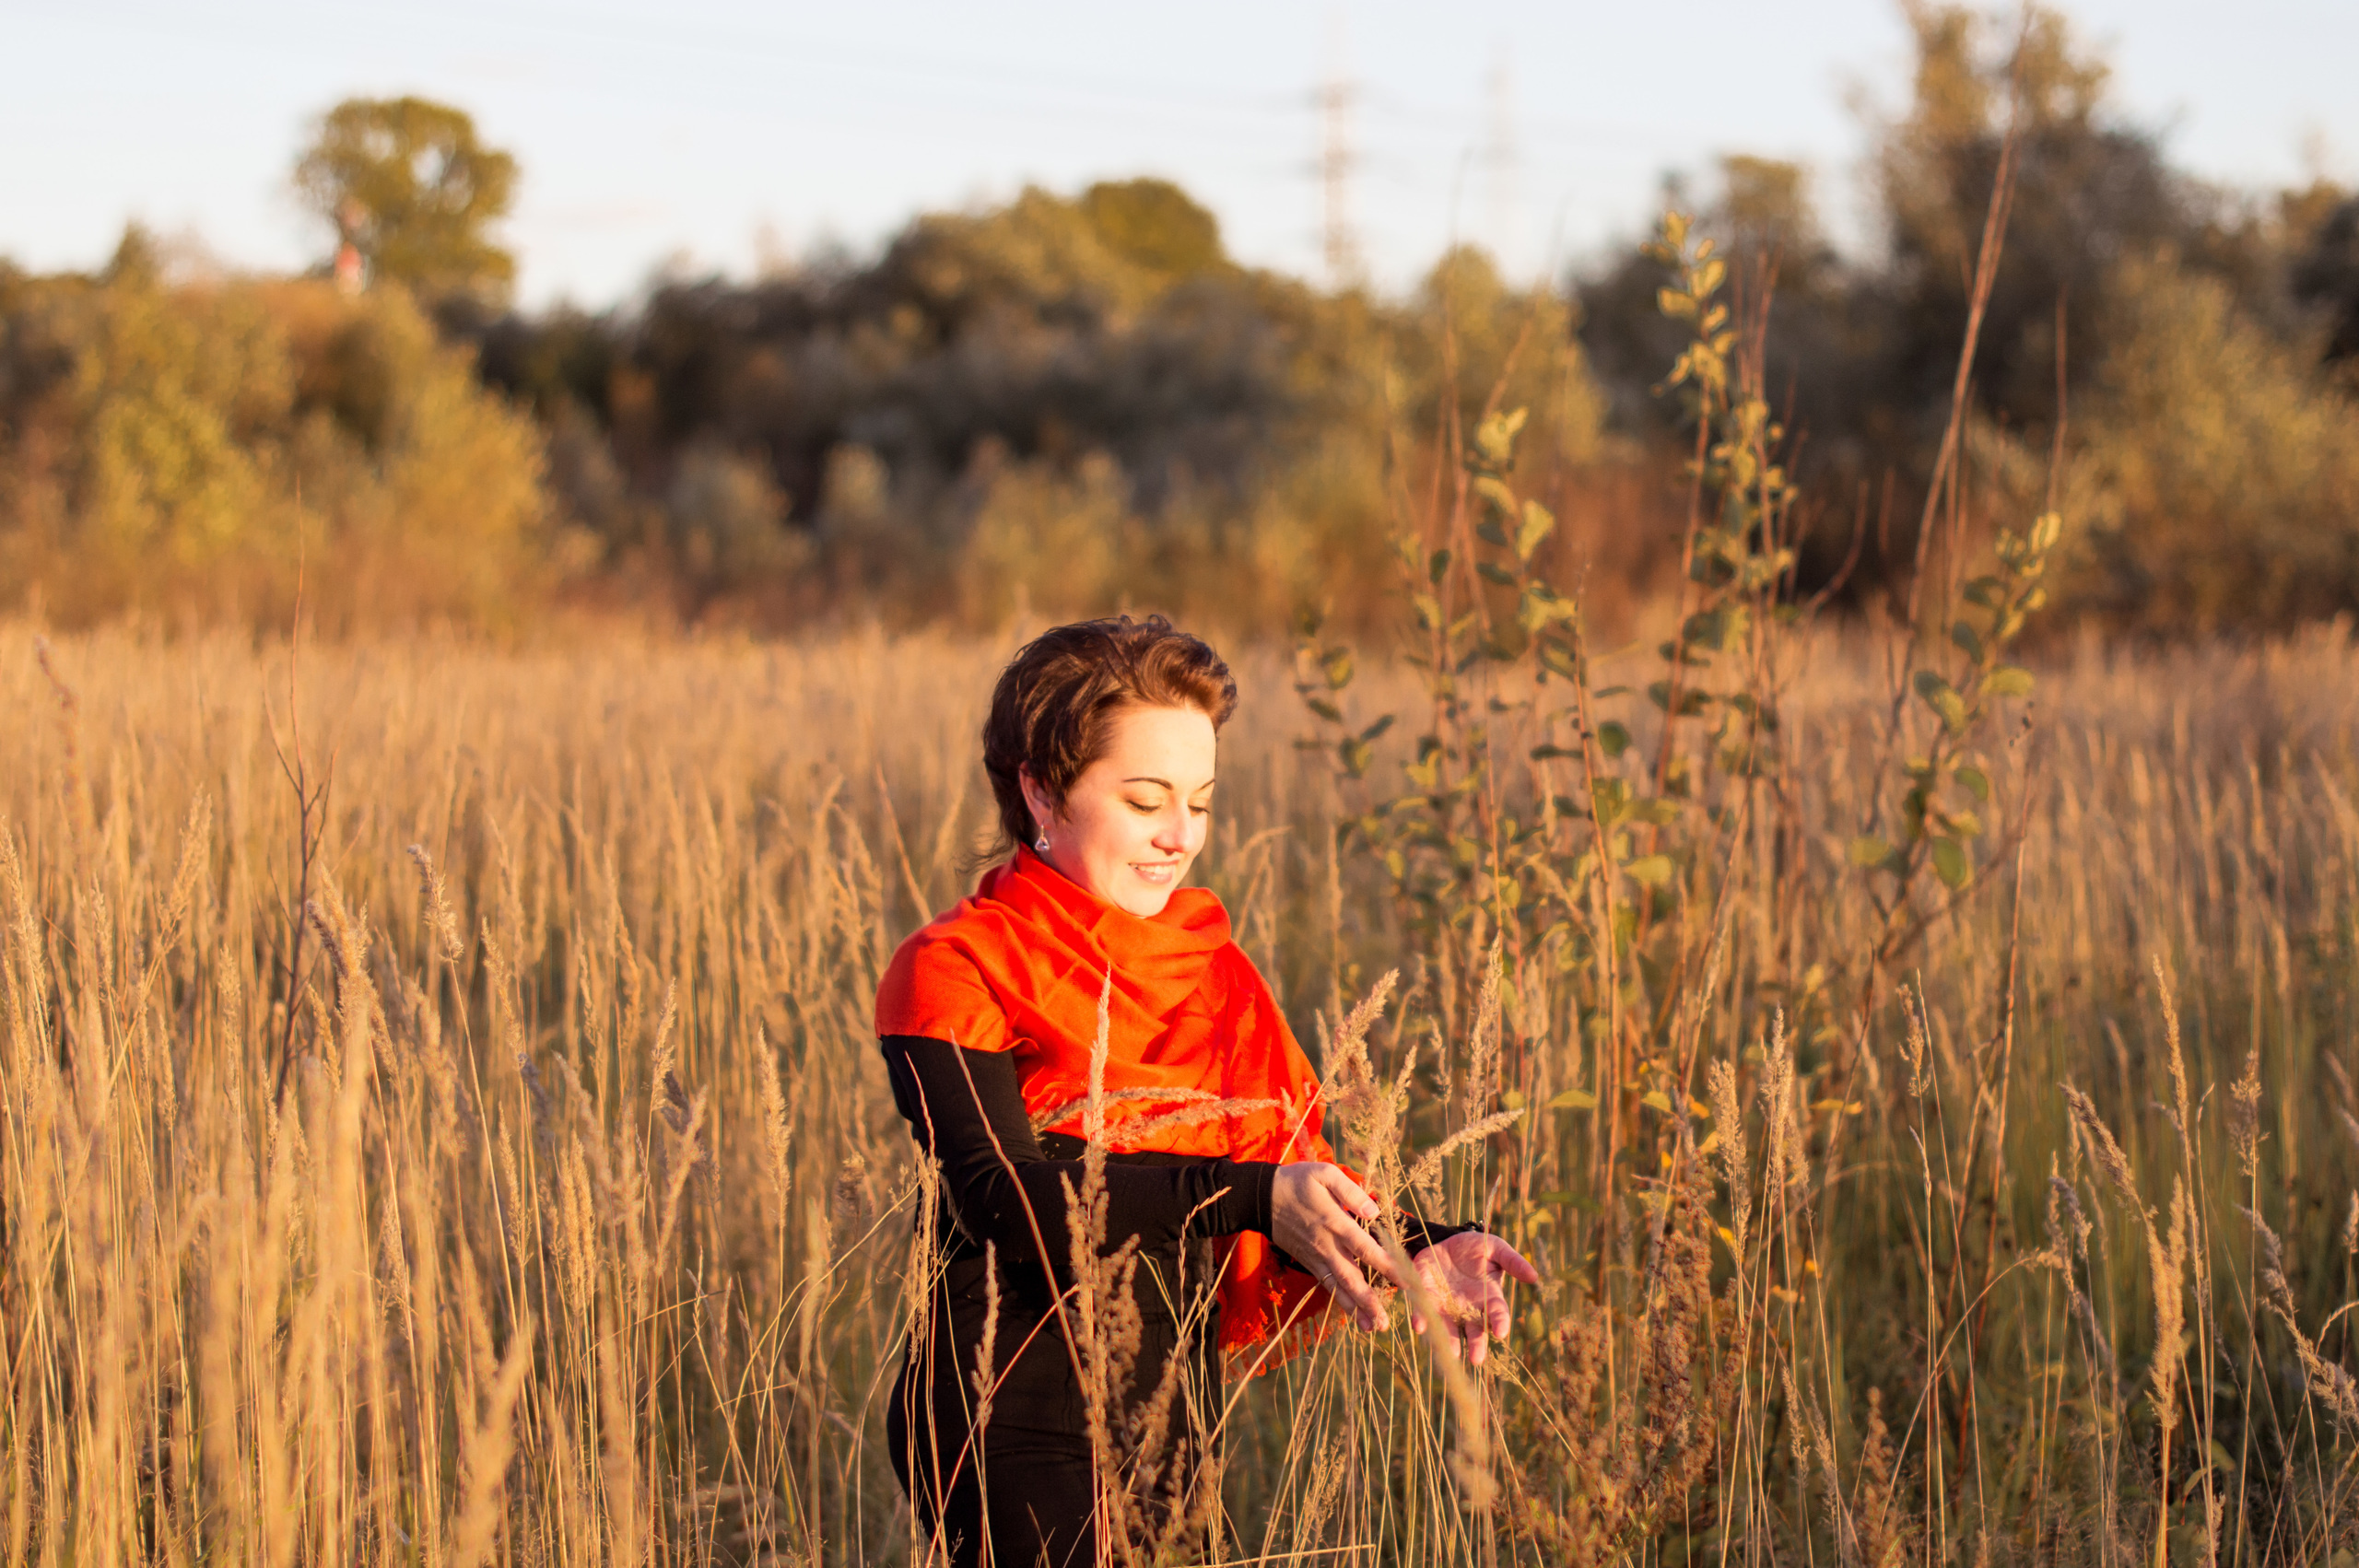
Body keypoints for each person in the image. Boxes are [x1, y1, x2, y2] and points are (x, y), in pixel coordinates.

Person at [877, 614, 1538, 1568]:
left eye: (1202, 801)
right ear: (1040, 790)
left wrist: (1416, 1244)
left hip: (1176, 1406)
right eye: (1146, 799)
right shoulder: (954, 966)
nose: (1180, 836)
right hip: (1007, 1406)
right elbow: (1000, 1193)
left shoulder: (1212, 970)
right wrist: (1261, 1198)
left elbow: (1277, 1179)